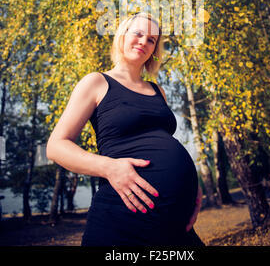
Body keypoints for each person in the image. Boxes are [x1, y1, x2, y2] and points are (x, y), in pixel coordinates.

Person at [47, 12, 204, 246]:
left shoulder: (157, 90)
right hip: (124, 220)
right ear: (122, 36)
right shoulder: (97, 82)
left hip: (174, 223)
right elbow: (56, 146)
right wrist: (109, 167)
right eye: (138, 33)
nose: (143, 41)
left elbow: (162, 142)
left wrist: (192, 189)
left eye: (151, 40)